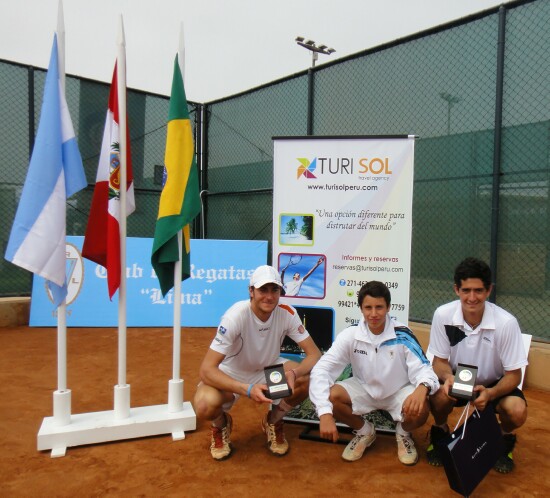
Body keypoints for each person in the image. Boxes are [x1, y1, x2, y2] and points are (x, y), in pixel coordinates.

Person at [193, 265, 322, 461]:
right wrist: (246, 388)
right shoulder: (235, 316)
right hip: (231, 374)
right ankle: (220, 425)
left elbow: (314, 354)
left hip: (268, 371)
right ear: (251, 291)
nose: (269, 296)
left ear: (280, 292)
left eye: (274, 290)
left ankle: (273, 420)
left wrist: (294, 374)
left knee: (305, 379)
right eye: (263, 290)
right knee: (204, 404)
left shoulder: (287, 313)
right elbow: (206, 370)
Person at [309, 281, 439, 465]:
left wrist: (422, 388)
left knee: (421, 408)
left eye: (379, 307)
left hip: (399, 391)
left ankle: (403, 433)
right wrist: (324, 413)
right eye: (368, 307)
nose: (374, 313)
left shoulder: (403, 334)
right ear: (361, 309)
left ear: (388, 307)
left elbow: (425, 369)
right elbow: (322, 370)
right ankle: (365, 432)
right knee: (332, 397)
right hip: (364, 388)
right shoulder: (350, 335)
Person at [426, 257, 528, 474]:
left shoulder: (506, 323)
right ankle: (440, 430)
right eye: (466, 290)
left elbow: (514, 375)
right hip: (458, 377)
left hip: (493, 383)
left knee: (517, 411)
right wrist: (448, 378)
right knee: (438, 397)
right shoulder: (442, 315)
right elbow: (439, 362)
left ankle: (502, 440)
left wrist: (490, 393)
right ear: (456, 289)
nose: (472, 298)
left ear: (489, 290)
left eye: (479, 291)